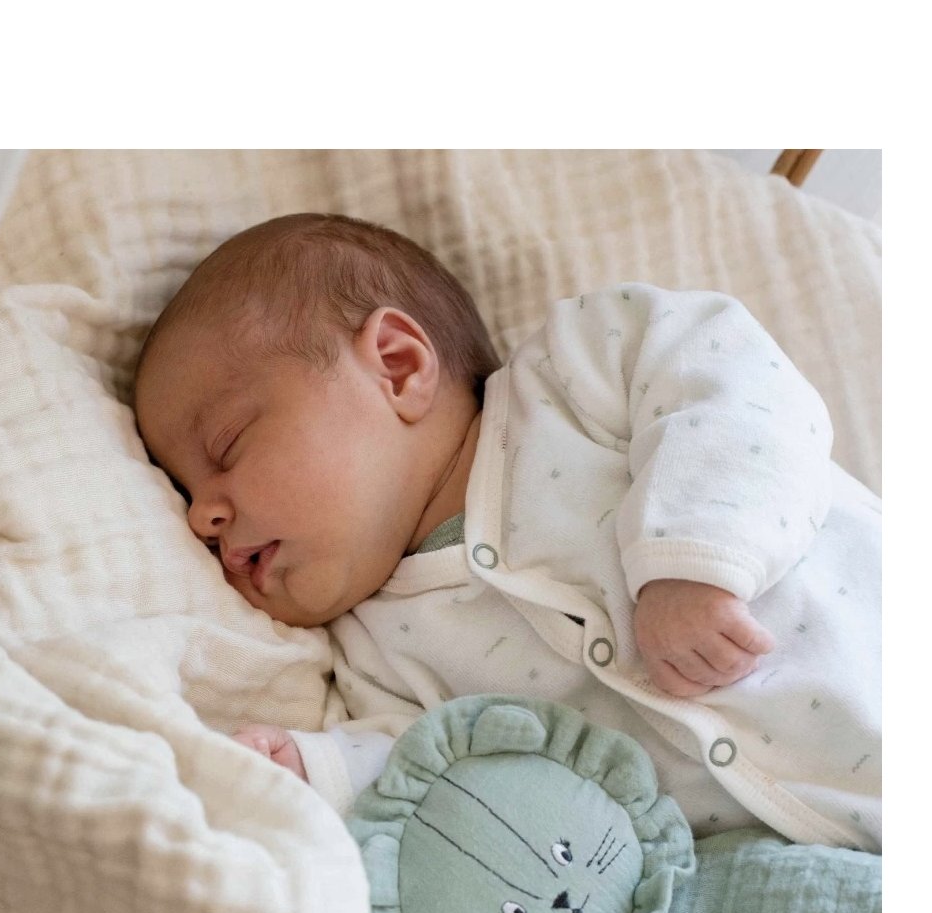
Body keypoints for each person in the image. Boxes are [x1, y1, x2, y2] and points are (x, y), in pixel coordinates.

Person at [134, 213, 881, 852]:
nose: (202, 518)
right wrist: (315, 769)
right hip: (802, 862)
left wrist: (696, 557)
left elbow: (740, 391)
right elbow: (442, 770)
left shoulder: (578, 372)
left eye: (227, 446)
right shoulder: (373, 657)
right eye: (188, 495)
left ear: (397, 367)